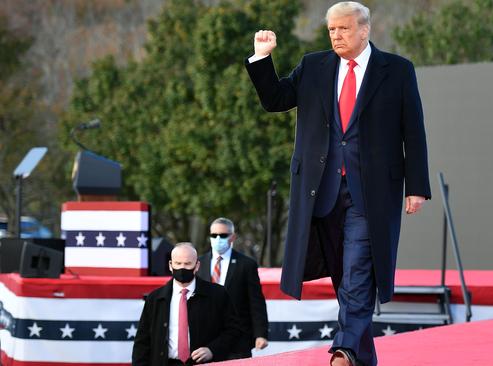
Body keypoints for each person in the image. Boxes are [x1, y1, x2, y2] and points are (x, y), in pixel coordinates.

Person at [245, 2, 431, 365]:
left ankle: (343, 350)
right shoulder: (314, 65)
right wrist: (261, 58)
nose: (336, 35)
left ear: (365, 30)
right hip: (322, 191)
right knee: (345, 277)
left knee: (360, 269)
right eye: (331, 29)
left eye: (344, 29)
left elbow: (414, 129)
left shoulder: (397, 70)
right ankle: (362, 356)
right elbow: (276, 100)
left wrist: (417, 186)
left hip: (373, 193)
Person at [132, 242, 241, 365]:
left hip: (205, 363)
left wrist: (212, 349)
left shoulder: (217, 294)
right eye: (178, 263)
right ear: (170, 265)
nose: (182, 268)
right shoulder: (155, 298)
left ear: (197, 265)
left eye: (188, 263)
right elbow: (142, 341)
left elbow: (234, 330)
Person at [197, 217, 269, 359]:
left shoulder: (246, 265)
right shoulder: (199, 263)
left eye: (223, 235)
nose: (218, 239)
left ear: (233, 237)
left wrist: (261, 334)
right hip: (205, 340)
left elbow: (256, 302)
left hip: (238, 340)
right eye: (214, 235)